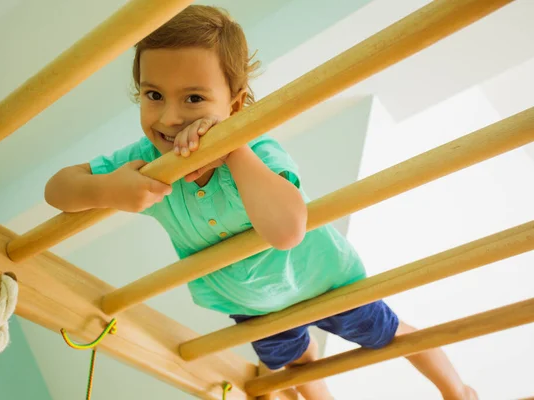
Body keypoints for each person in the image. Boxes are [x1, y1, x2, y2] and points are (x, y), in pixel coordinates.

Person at [44, 5, 477, 399]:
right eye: (153, 95)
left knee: (392, 334)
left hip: (325, 281)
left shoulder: (258, 153)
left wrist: (233, 149)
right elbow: (57, 189)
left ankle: (458, 390)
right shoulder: (143, 162)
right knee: (299, 364)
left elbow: (287, 231)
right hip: (251, 306)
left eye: (193, 98)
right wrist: (106, 190)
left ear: (233, 105)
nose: (170, 117)